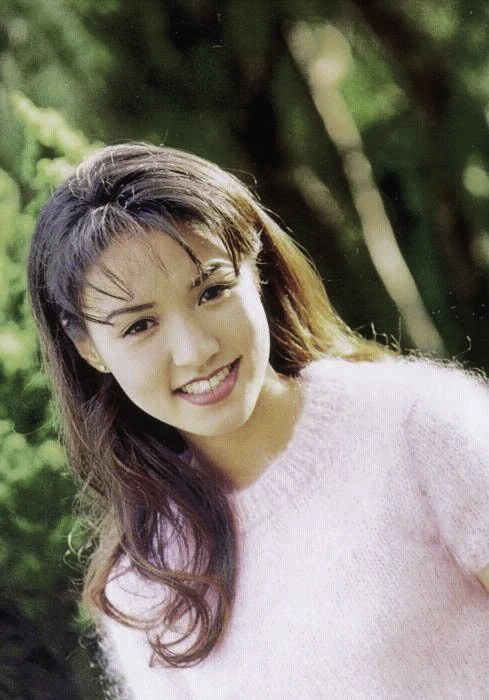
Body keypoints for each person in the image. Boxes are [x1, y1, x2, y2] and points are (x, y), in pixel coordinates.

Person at [28, 143, 489, 699]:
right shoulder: (142, 584)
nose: (196, 350)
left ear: (256, 268)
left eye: (212, 291)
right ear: (88, 348)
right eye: (139, 326)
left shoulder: (415, 422)